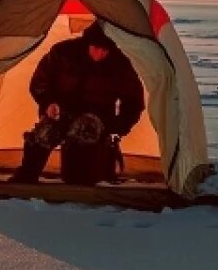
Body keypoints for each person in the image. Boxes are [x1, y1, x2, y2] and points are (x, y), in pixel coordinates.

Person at [9, 21, 145, 185]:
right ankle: (27, 176)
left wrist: (118, 126)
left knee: (85, 130)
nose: (99, 54)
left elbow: (134, 101)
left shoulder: (120, 65)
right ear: (87, 43)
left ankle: (79, 180)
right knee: (44, 132)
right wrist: (48, 103)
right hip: (62, 111)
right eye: (96, 48)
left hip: (97, 118)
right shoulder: (62, 53)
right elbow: (40, 82)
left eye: (105, 50)